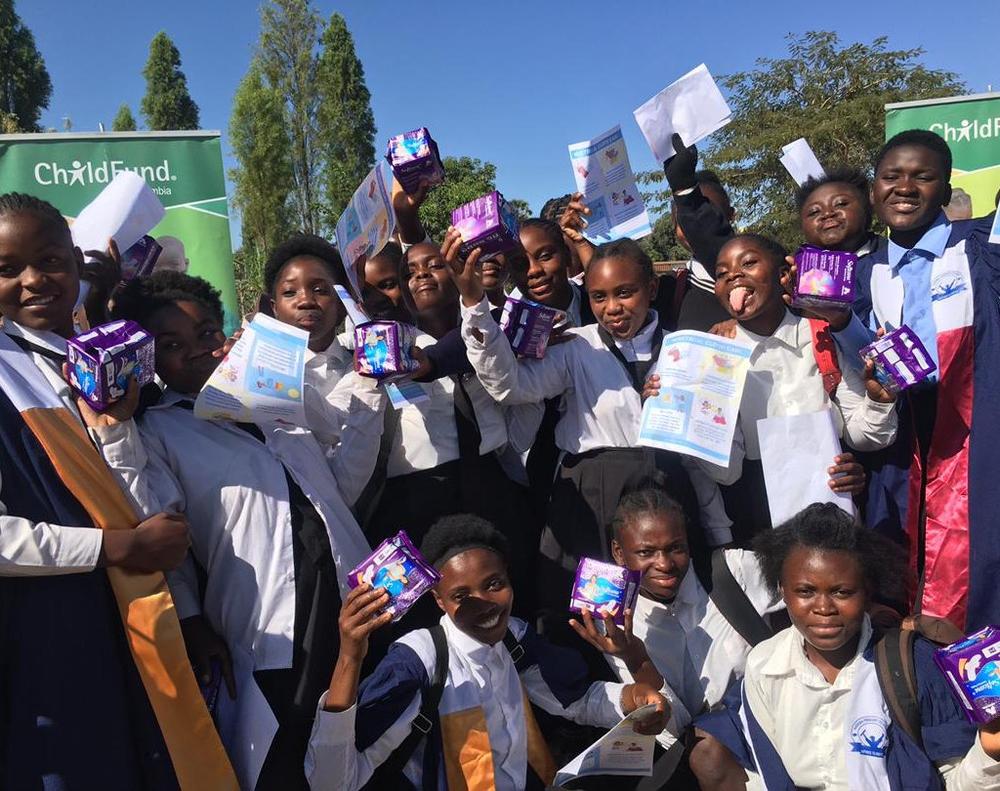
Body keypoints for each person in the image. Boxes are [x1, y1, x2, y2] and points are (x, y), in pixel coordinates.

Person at [92, 271, 372, 790]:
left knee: (365, 731)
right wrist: (193, 620)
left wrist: (295, 374)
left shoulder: (271, 395)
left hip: (348, 583)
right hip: (271, 616)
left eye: (206, 333)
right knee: (290, 747)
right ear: (150, 360)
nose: (198, 351)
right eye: (171, 345)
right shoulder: (157, 430)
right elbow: (158, 528)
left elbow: (338, 455)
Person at [0, 193, 233, 788]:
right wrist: (113, 549)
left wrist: (118, 427)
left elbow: (145, 505)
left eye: (50, 260)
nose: (33, 281)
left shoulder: (93, 361)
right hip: (44, 627)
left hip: (132, 618)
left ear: (78, 265)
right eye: (7, 269)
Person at [448, 231, 727, 643]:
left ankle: (675, 689)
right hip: (593, 495)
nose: (612, 308)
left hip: (668, 487)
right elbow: (508, 386)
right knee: (591, 611)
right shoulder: (576, 346)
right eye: (598, 297)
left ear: (651, 288)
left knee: (672, 599)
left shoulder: (684, 350)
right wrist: (475, 306)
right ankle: (602, 697)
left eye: (625, 292)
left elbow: (703, 447)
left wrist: (719, 529)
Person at [306, 513, 670, 790]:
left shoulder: (514, 639)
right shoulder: (418, 664)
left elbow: (575, 700)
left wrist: (634, 696)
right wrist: (350, 657)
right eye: (461, 596)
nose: (485, 605)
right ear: (438, 599)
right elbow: (333, 783)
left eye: (493, 584)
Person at [689, 503, 1000, 790]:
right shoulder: (765, 664)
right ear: (782, 590)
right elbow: (768, 774)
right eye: (806, 591)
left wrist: (990, 751)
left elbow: (954, 782)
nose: (823, 607)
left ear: (867, 591)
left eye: (842, 592)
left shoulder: (915, 665)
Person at [827, 130, 1000, 632]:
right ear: (874, 191)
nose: (905, 187)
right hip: (898, 450)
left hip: (973, 434)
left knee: (978, 572)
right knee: (898, 579)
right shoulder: (863, 272)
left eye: (923, 177)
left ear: (945, 191)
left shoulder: (982, 250)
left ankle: (979, 701)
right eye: (891, 176)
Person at [646, 233, 898, 543]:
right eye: (722, 274)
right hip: (760, 523)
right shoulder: (712, 359)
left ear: (782, 274)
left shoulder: (823, 337)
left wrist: (877, 401)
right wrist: (686, 421)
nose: (734, 275)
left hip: (836, 515)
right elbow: (728, 473)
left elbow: (864, 436)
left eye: (749, 263)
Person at [796, 167, 882, 258]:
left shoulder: (893, 258)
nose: (827, 214)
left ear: (866, 207)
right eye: (814, 212)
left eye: (840, 204)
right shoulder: (800, 270)